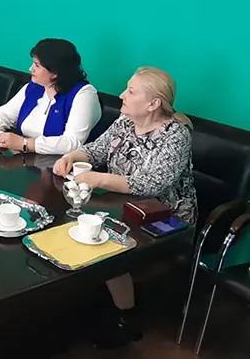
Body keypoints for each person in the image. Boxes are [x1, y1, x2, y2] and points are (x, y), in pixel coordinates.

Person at [53, 66, 197, 348]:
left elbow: (151, 184)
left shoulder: (176, 135)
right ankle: (89, 305)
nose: (122, 95)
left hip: (165, 217)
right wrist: (72, 156)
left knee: (104, 247)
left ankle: (126, 319)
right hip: (122, 205)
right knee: (72, 225)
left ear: (154, 103)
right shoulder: (125, 121)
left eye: (131, 91)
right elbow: (96, 150)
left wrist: (99, 179)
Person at [0, 38, 102, 155]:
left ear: (55, 72)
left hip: (62, 164)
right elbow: (4, 114)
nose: (30, 68)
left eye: (37, 65)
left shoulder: (85, 94)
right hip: (27, 160)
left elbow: (73, 143)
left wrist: (24, 143)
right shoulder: (35, 87)